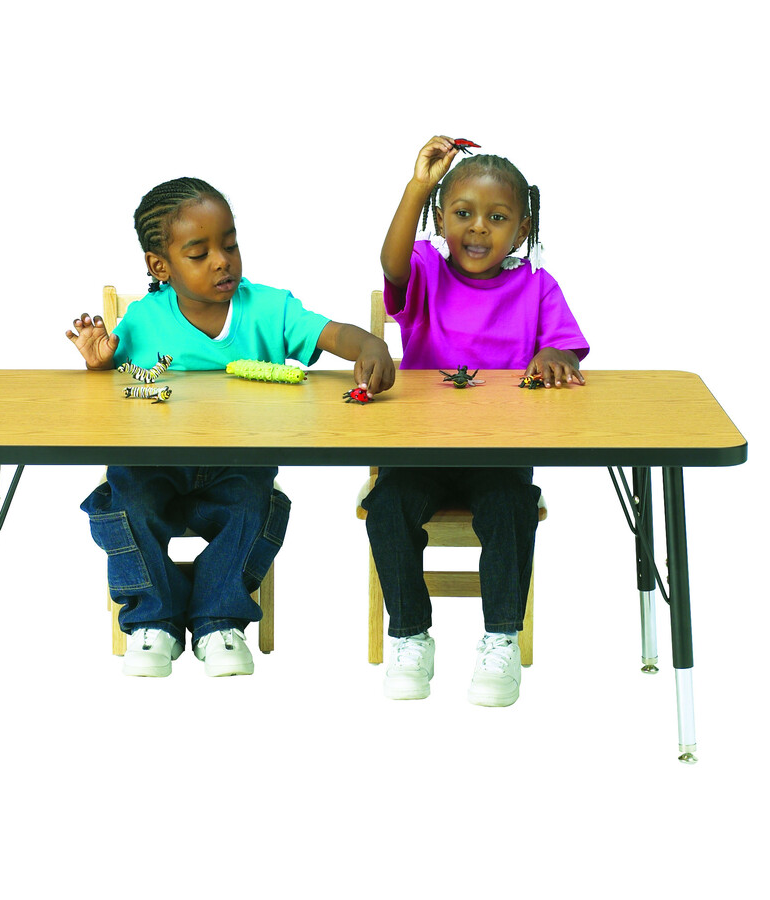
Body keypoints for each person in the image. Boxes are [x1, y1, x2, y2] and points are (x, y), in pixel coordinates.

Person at [68, 177, 395, 678]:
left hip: (238, 467)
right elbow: (115, 393)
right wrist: (99, 365)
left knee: (258, 508)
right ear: (161, 266)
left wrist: (370, 345)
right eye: (199, 254)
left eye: (230, 245)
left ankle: (218, 620)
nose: (222, 261)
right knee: (122, 500)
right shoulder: (142, 319)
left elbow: (332, 334)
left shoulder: (269, 309)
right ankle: (153, 620)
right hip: (156, 465)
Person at [362, 136, 588, 705]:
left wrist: (554, 354)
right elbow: (391, 263)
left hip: (500, 452)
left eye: (498, 217)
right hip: (420, 450)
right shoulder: (424, 271)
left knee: (511, 508)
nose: (479, 228)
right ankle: (409, 635)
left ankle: (501, 638)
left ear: (523, 228)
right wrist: (418, 187)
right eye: (462, 213)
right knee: (387, 507)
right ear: (439, 220)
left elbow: (564, 347)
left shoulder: (537, 287)